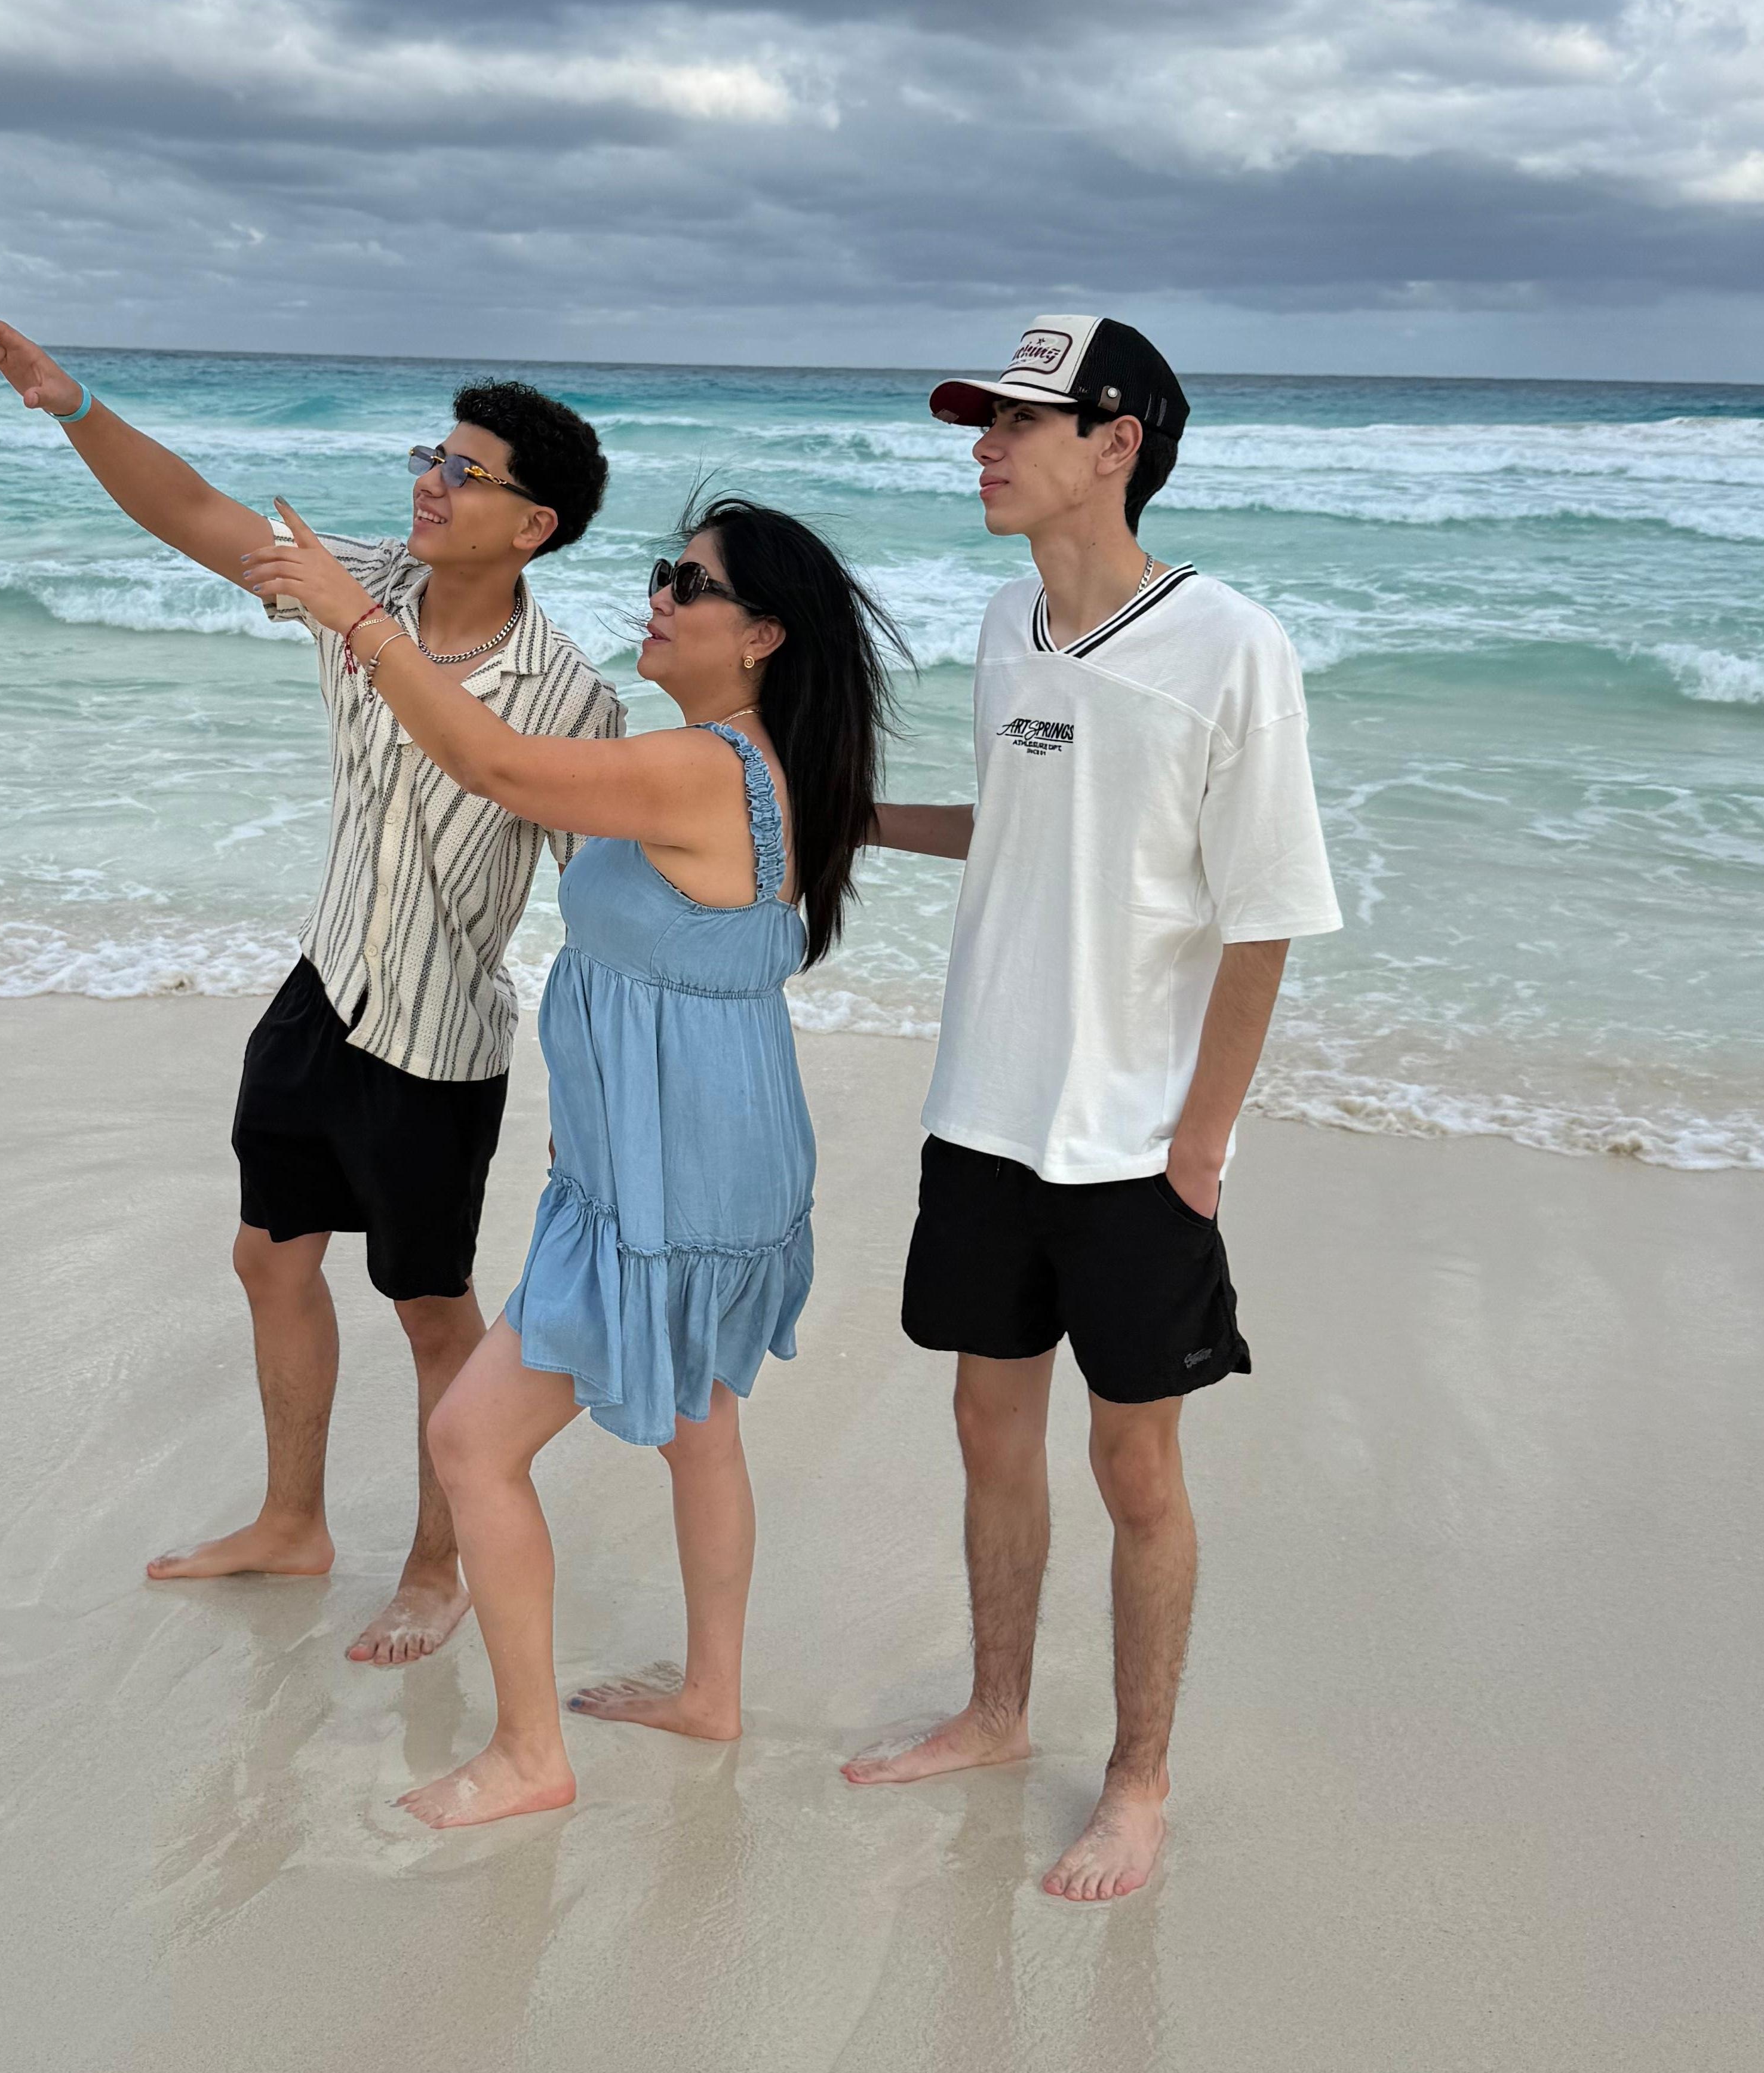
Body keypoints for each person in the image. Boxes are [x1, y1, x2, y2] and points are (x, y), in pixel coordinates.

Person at [0, 308, 621, 1667]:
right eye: (434, 452)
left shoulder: (571, 699)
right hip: (321, 989)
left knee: (433, 1311)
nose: (430, 478)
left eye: (466, 470)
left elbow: (599, 900)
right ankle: (292, 1520)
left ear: (532, 526)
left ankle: (440, 1567)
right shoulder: (351, 581)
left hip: (437, 1040)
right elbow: (190, 508)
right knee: (269, 1254)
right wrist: (73, 404)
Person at [256, 495, 901, 1830]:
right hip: (710, 1153)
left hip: (668, 1177)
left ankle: (530, 1755)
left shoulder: (699, 770)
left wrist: (356, 616)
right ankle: (710, 1694)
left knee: (471, 1443)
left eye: (692, 583)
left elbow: (490, 766)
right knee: (698, 1423)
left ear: (764, 635)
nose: (657, 593)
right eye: (665, 570)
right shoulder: (771, 764)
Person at [848, 312, 1340, 1900]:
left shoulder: (1229, 647)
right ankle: (995, 1713)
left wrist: (1199, 1147)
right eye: (978, 420)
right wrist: (835, 814)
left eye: (1014, 421)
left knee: (1136, 1470)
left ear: (1114, 440)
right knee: (987, 1424)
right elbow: (1019, 824)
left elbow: (1263, 912)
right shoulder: (1007, 624)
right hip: (984, 1114)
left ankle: (1137, 1778)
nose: (982, 445)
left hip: (1135, 1148)